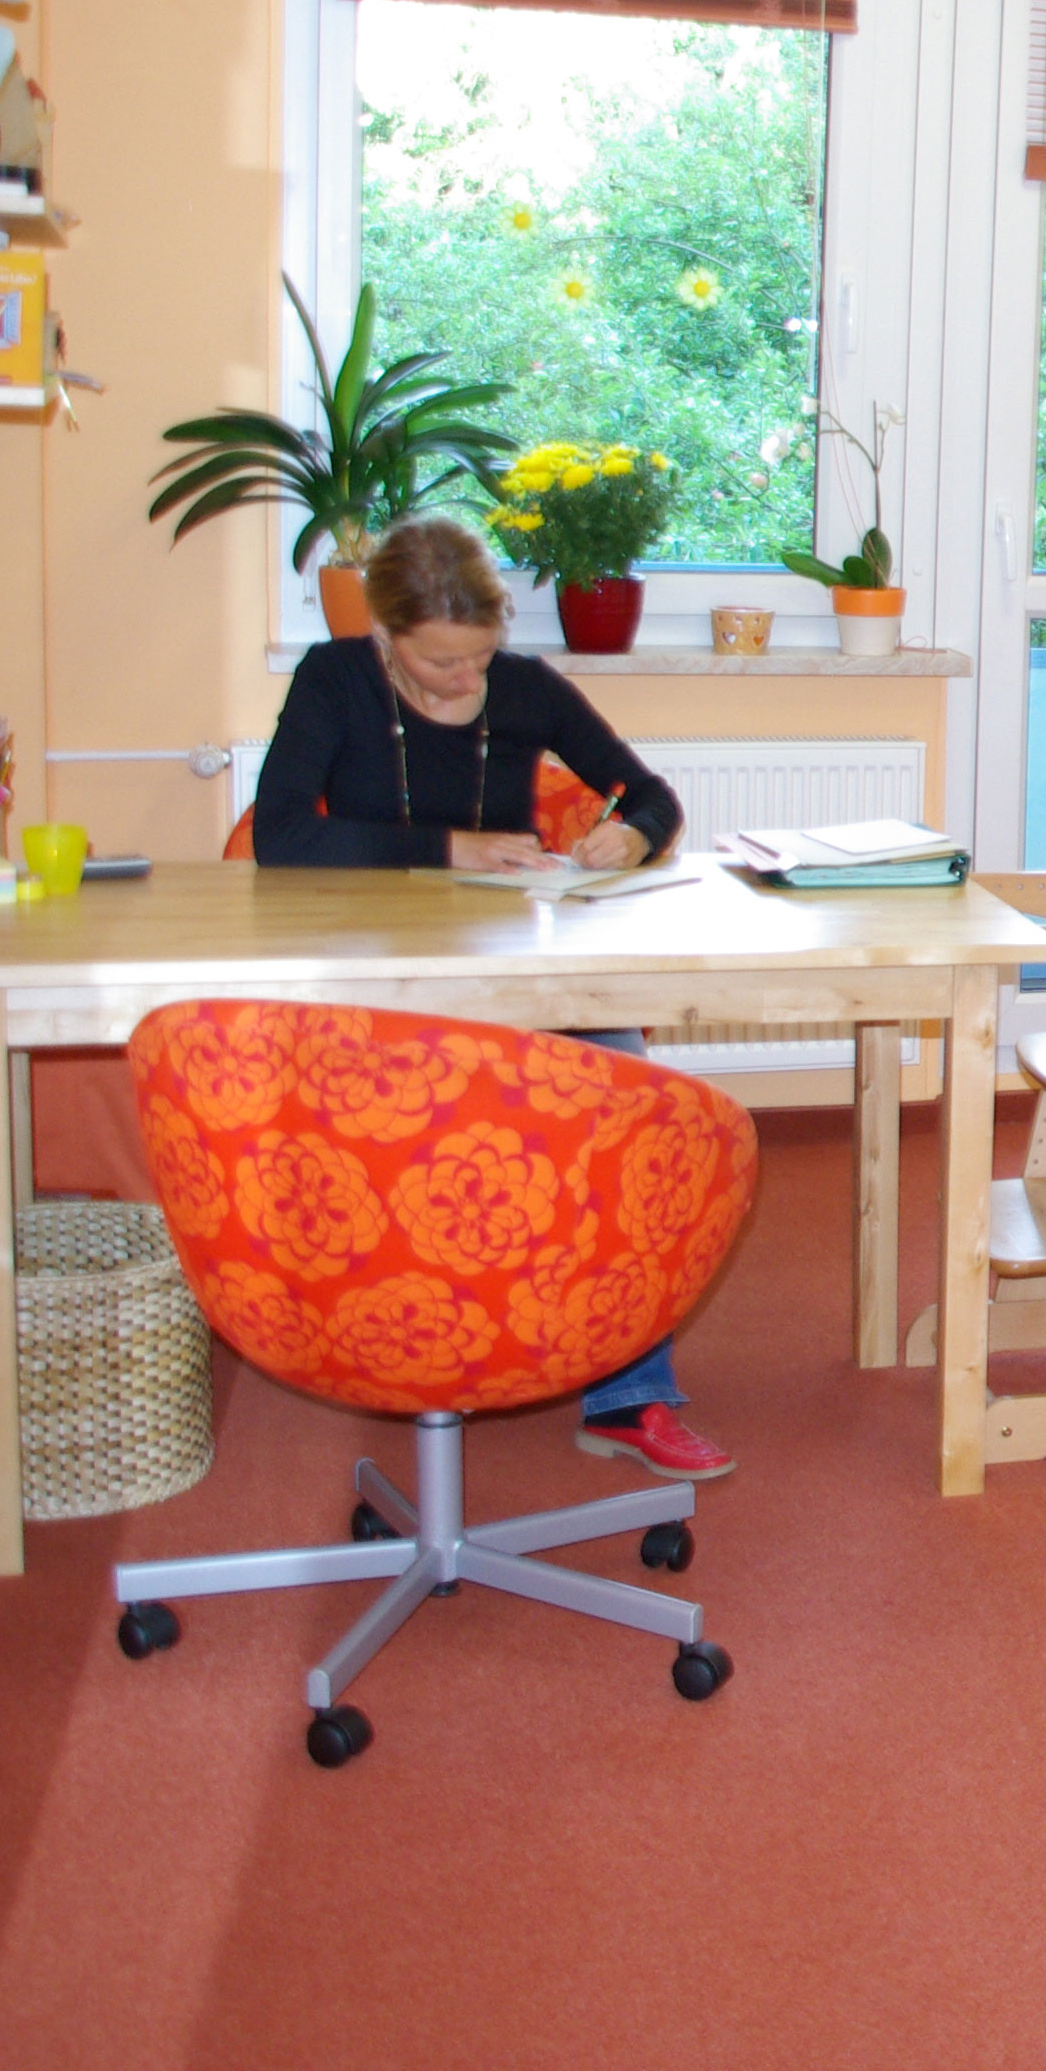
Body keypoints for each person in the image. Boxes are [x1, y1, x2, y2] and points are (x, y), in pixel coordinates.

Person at [249, 514, 736, 1482]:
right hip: (377, 984)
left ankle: (627, 1398)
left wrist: (633, 836)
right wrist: (447, 849)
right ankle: (412, 1340)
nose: (463, 680)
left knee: (629, 1109)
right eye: (439, 662)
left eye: (477, 656)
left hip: (518, 975)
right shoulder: (333, 681)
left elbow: (653, 796)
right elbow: (279, 836)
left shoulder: (522, 689)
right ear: (384, 634)